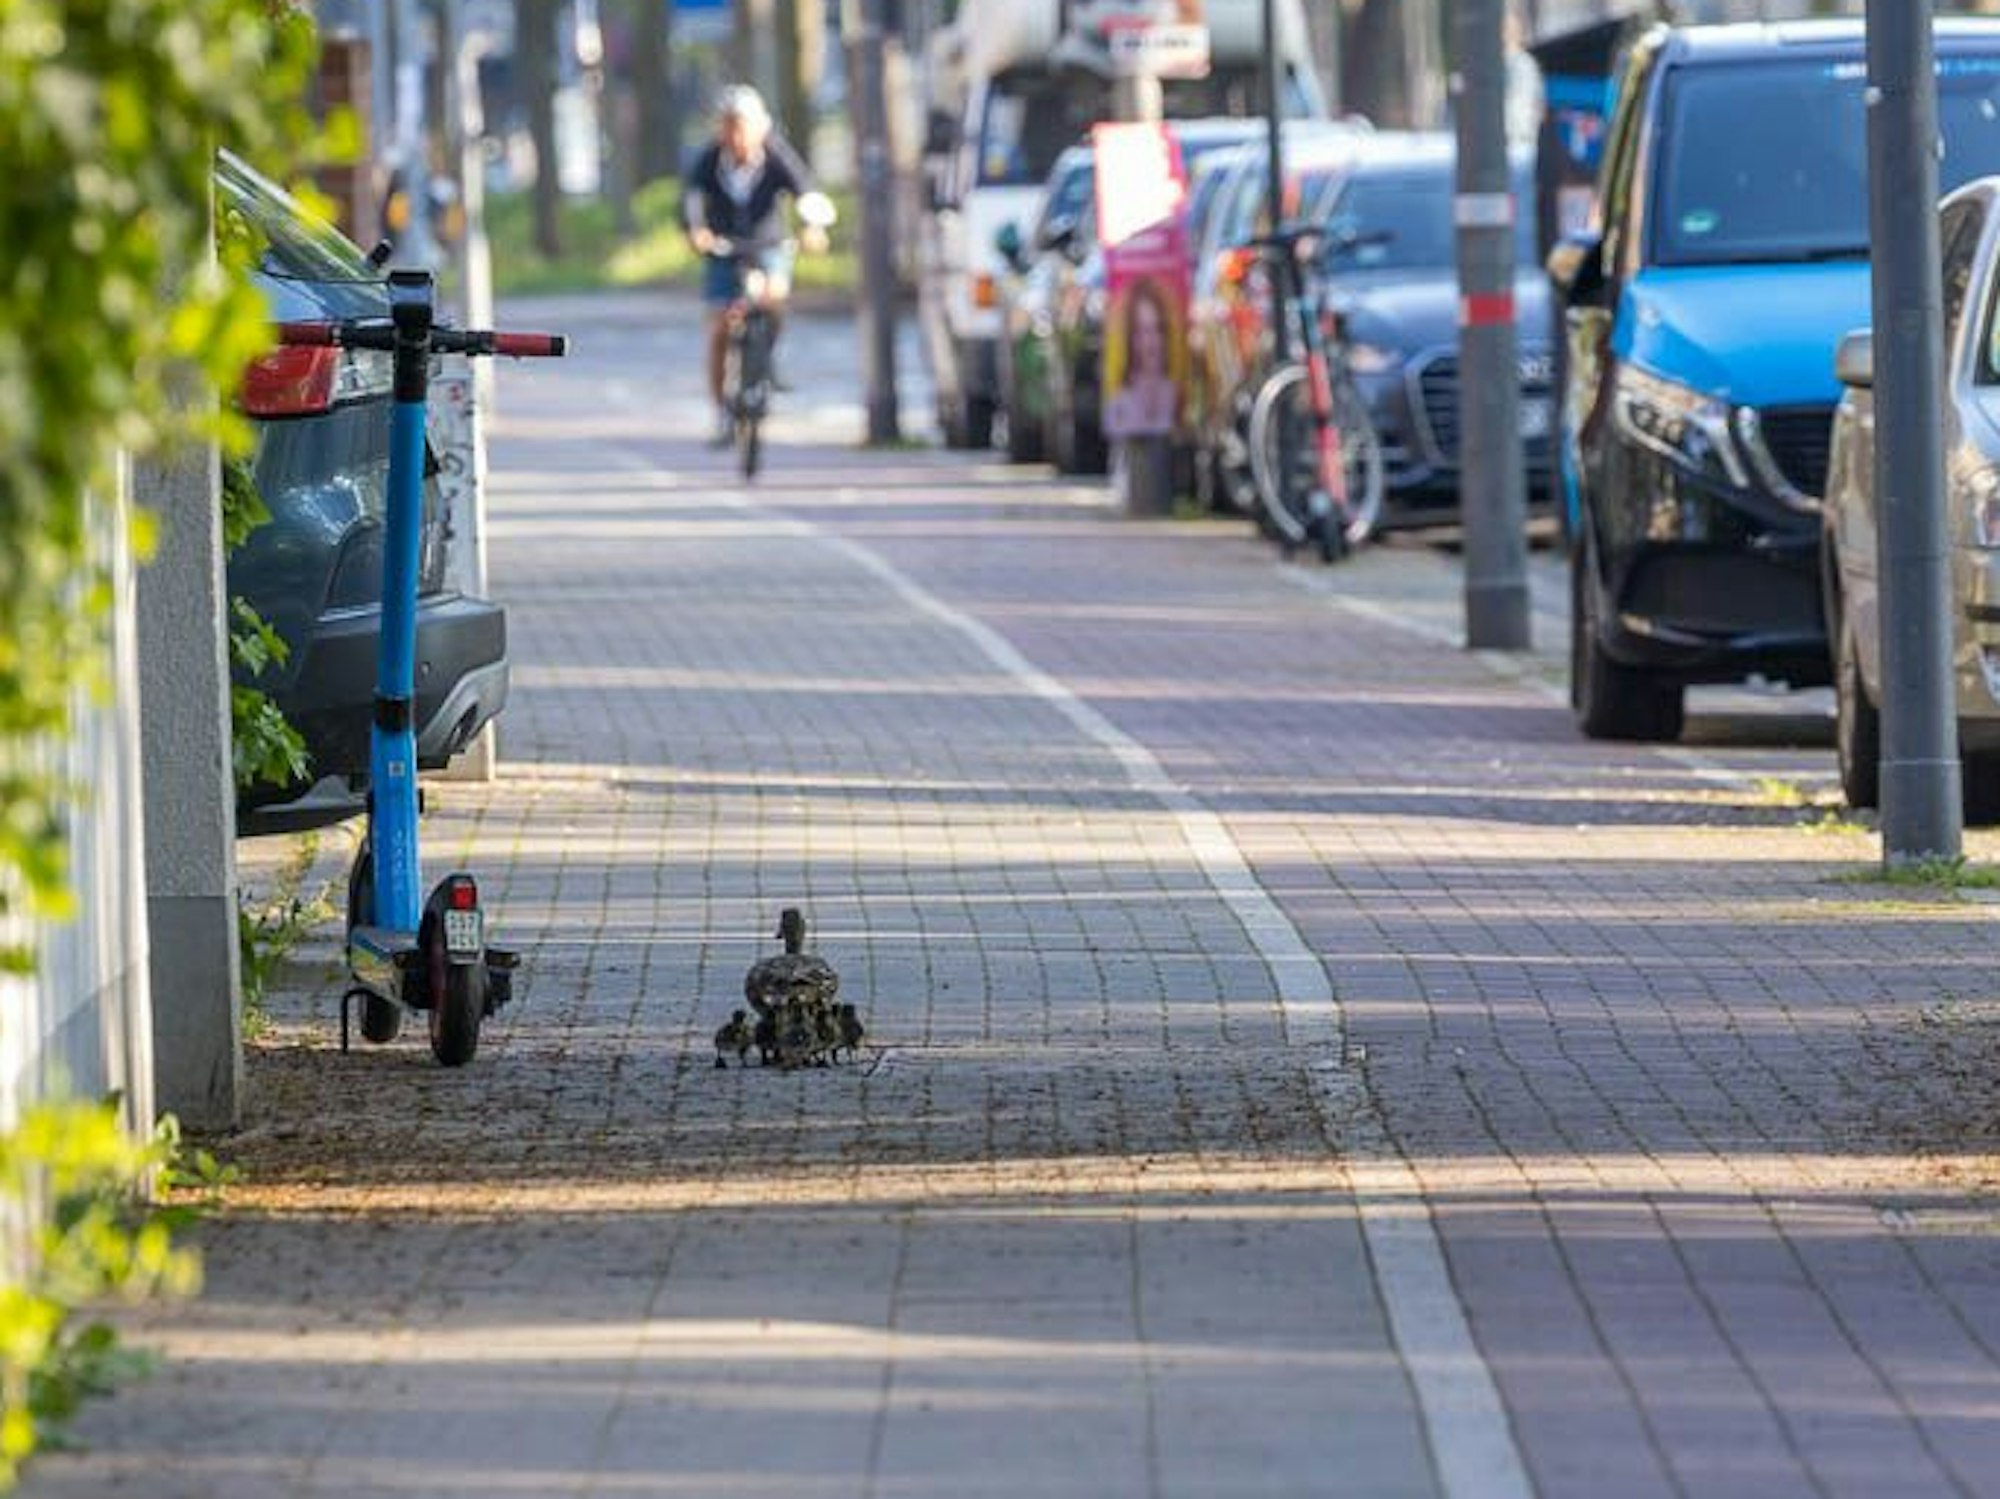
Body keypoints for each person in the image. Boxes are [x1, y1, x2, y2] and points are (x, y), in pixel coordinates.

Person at [681, 86, 836, 445]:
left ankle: (767, 358)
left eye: (743, 125)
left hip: (769, 244)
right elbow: (690, 200)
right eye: (730, 126)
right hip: (724, 247)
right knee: (719, 328)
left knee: (774, 298)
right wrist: (697, 231)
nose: (736, 135)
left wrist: (813, 227)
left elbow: (805, 191)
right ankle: (721, 412)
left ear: (760, 127)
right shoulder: (708, 160)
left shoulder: (776, 156)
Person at [1103, 278, 1180, 441]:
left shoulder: (1175, 394)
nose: (1150, 342)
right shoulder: (1118, 403)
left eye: (1157, 329)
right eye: (1141, 331)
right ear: (1129, 337)